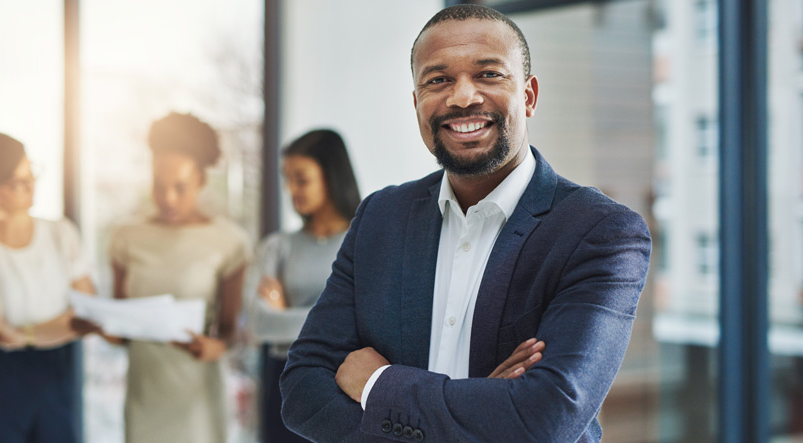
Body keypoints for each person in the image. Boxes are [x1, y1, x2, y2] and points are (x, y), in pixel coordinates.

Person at [279, 5, 651, 442]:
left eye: (489, 74)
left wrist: (380, 385)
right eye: (438, 80)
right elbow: (302, 391)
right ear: (417, 102)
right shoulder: (380, 217)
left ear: (529, 96)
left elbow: (547, 416)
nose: (462, 97)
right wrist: (483, 407)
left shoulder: (601, 231)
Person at [0, 133, 98, 443]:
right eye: (16, 183)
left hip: (55, 372)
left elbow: (88, 313)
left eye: (31, 176)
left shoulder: (60, 233)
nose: (29, 189)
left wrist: (25, 335)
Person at [109, 113, 250, 443]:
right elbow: (119, 329)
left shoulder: (229, 241)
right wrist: (96, 323)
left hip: (196, 395)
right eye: (160, 186)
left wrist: (217, 346)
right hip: (144, 393)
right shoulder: (126, 238)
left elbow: (232, 332)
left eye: (180, 187)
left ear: (201, 181)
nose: (168, 198)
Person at [245, 129, 361, 442]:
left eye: (302, 178)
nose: (291, 189)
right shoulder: (276, 247)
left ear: (331, 176)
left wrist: (288, 314)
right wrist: (332, 323)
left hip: (345, 388)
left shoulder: (365, 241)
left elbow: (364, 322)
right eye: (287, 178)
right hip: (284, 383)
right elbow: (260, 324)